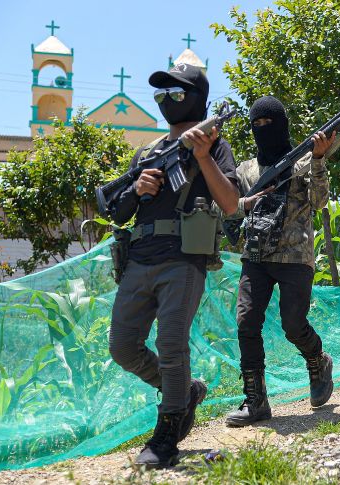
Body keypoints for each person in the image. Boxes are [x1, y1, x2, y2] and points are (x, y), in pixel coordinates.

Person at [107, 63, 240, 469]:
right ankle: (186, 392)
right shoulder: (148, 152)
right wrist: (136, 187)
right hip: (140, 259)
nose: (167, 100)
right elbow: (117, 212)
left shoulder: (214, 143)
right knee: (123, 346)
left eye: (176, 93)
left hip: (183, 259)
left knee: (170, 344)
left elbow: (231, 203)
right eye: (161, 94)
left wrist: (203, 156)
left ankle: (167, 435)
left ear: (198, 96)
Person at [219, 96, 338, 427]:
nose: (261, 131)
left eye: (268, 124)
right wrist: (247, 201)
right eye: (255, 125)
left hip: (294, 256)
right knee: (246, 323)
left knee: (292, 324)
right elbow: (228, 206)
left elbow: (318, 202)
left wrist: (317, 159)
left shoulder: (301, 163)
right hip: (255, 255)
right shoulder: (246, 170)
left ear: (282, 125)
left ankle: (317, 360)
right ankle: (255, 400)